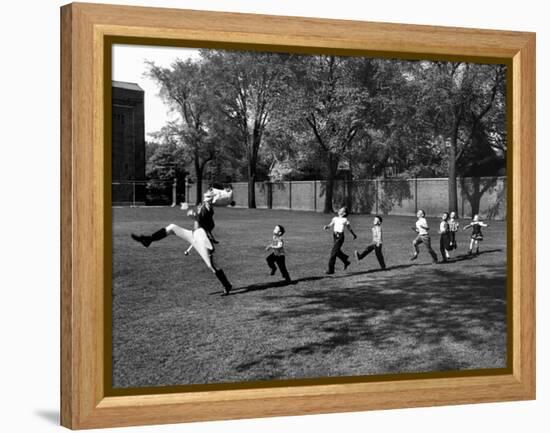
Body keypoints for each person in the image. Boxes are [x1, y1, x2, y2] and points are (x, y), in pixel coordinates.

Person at [130, 191, 232, 295]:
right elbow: (200, 221)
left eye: (209, 196)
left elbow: (207, 223)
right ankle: (148, 240)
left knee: (211, 265)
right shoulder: (203, 206)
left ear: (211, 199)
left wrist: (195, 216)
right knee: (172, 227)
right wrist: (195, 215)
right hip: (193, 234)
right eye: (207, 195)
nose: (207, 196)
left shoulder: (208, 209)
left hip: (201, 238)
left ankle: (227, 285)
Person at [323, 206, 357, 275]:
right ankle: (346, 261)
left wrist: (354, 234)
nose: (339, 210)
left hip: (340, 237)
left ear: (344, 213)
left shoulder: (345, 220)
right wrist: (327, 226)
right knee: (336, 251)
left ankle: (331, 270)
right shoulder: (335, 218)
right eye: (340, 209)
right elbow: (330, 225)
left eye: (341, 210)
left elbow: (349, 228)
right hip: (335, 236)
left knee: (333, 253)